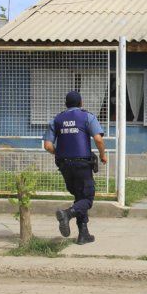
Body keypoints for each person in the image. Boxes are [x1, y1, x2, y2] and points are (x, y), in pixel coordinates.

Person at [43, 91, 107, 245]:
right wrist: (103, 155)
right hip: (82, 164)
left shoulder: (57, 119)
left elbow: (47, 145)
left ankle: (83, 234)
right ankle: (67, 214)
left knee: (79, 197)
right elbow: (98, 139)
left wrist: (60, 154)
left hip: (65, 165)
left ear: (66, 104)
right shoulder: (87, 117)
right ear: (81, 103)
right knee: (87, 198)